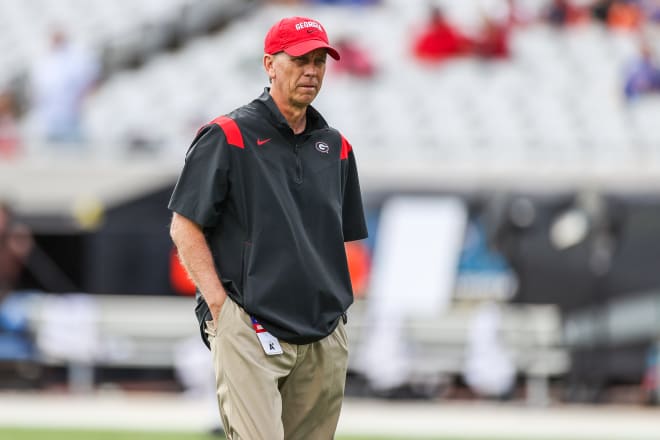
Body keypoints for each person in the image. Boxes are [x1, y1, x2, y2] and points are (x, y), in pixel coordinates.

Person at [168, 16, 368, 440]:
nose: (311, 71)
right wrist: (222, 311)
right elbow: (184, 225)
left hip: (322, 335)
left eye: (319, 60)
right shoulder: (228, 135)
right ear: (270, 64)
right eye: (299, 60)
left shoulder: (336, 146)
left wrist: (339, 318)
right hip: (250, 325)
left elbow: (338, 242)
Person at [30, 28, 100, 144]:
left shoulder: (75, 58)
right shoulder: (45, 61)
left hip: (72, 117)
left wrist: (82, 99)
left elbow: (92, 80)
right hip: (50, 119)